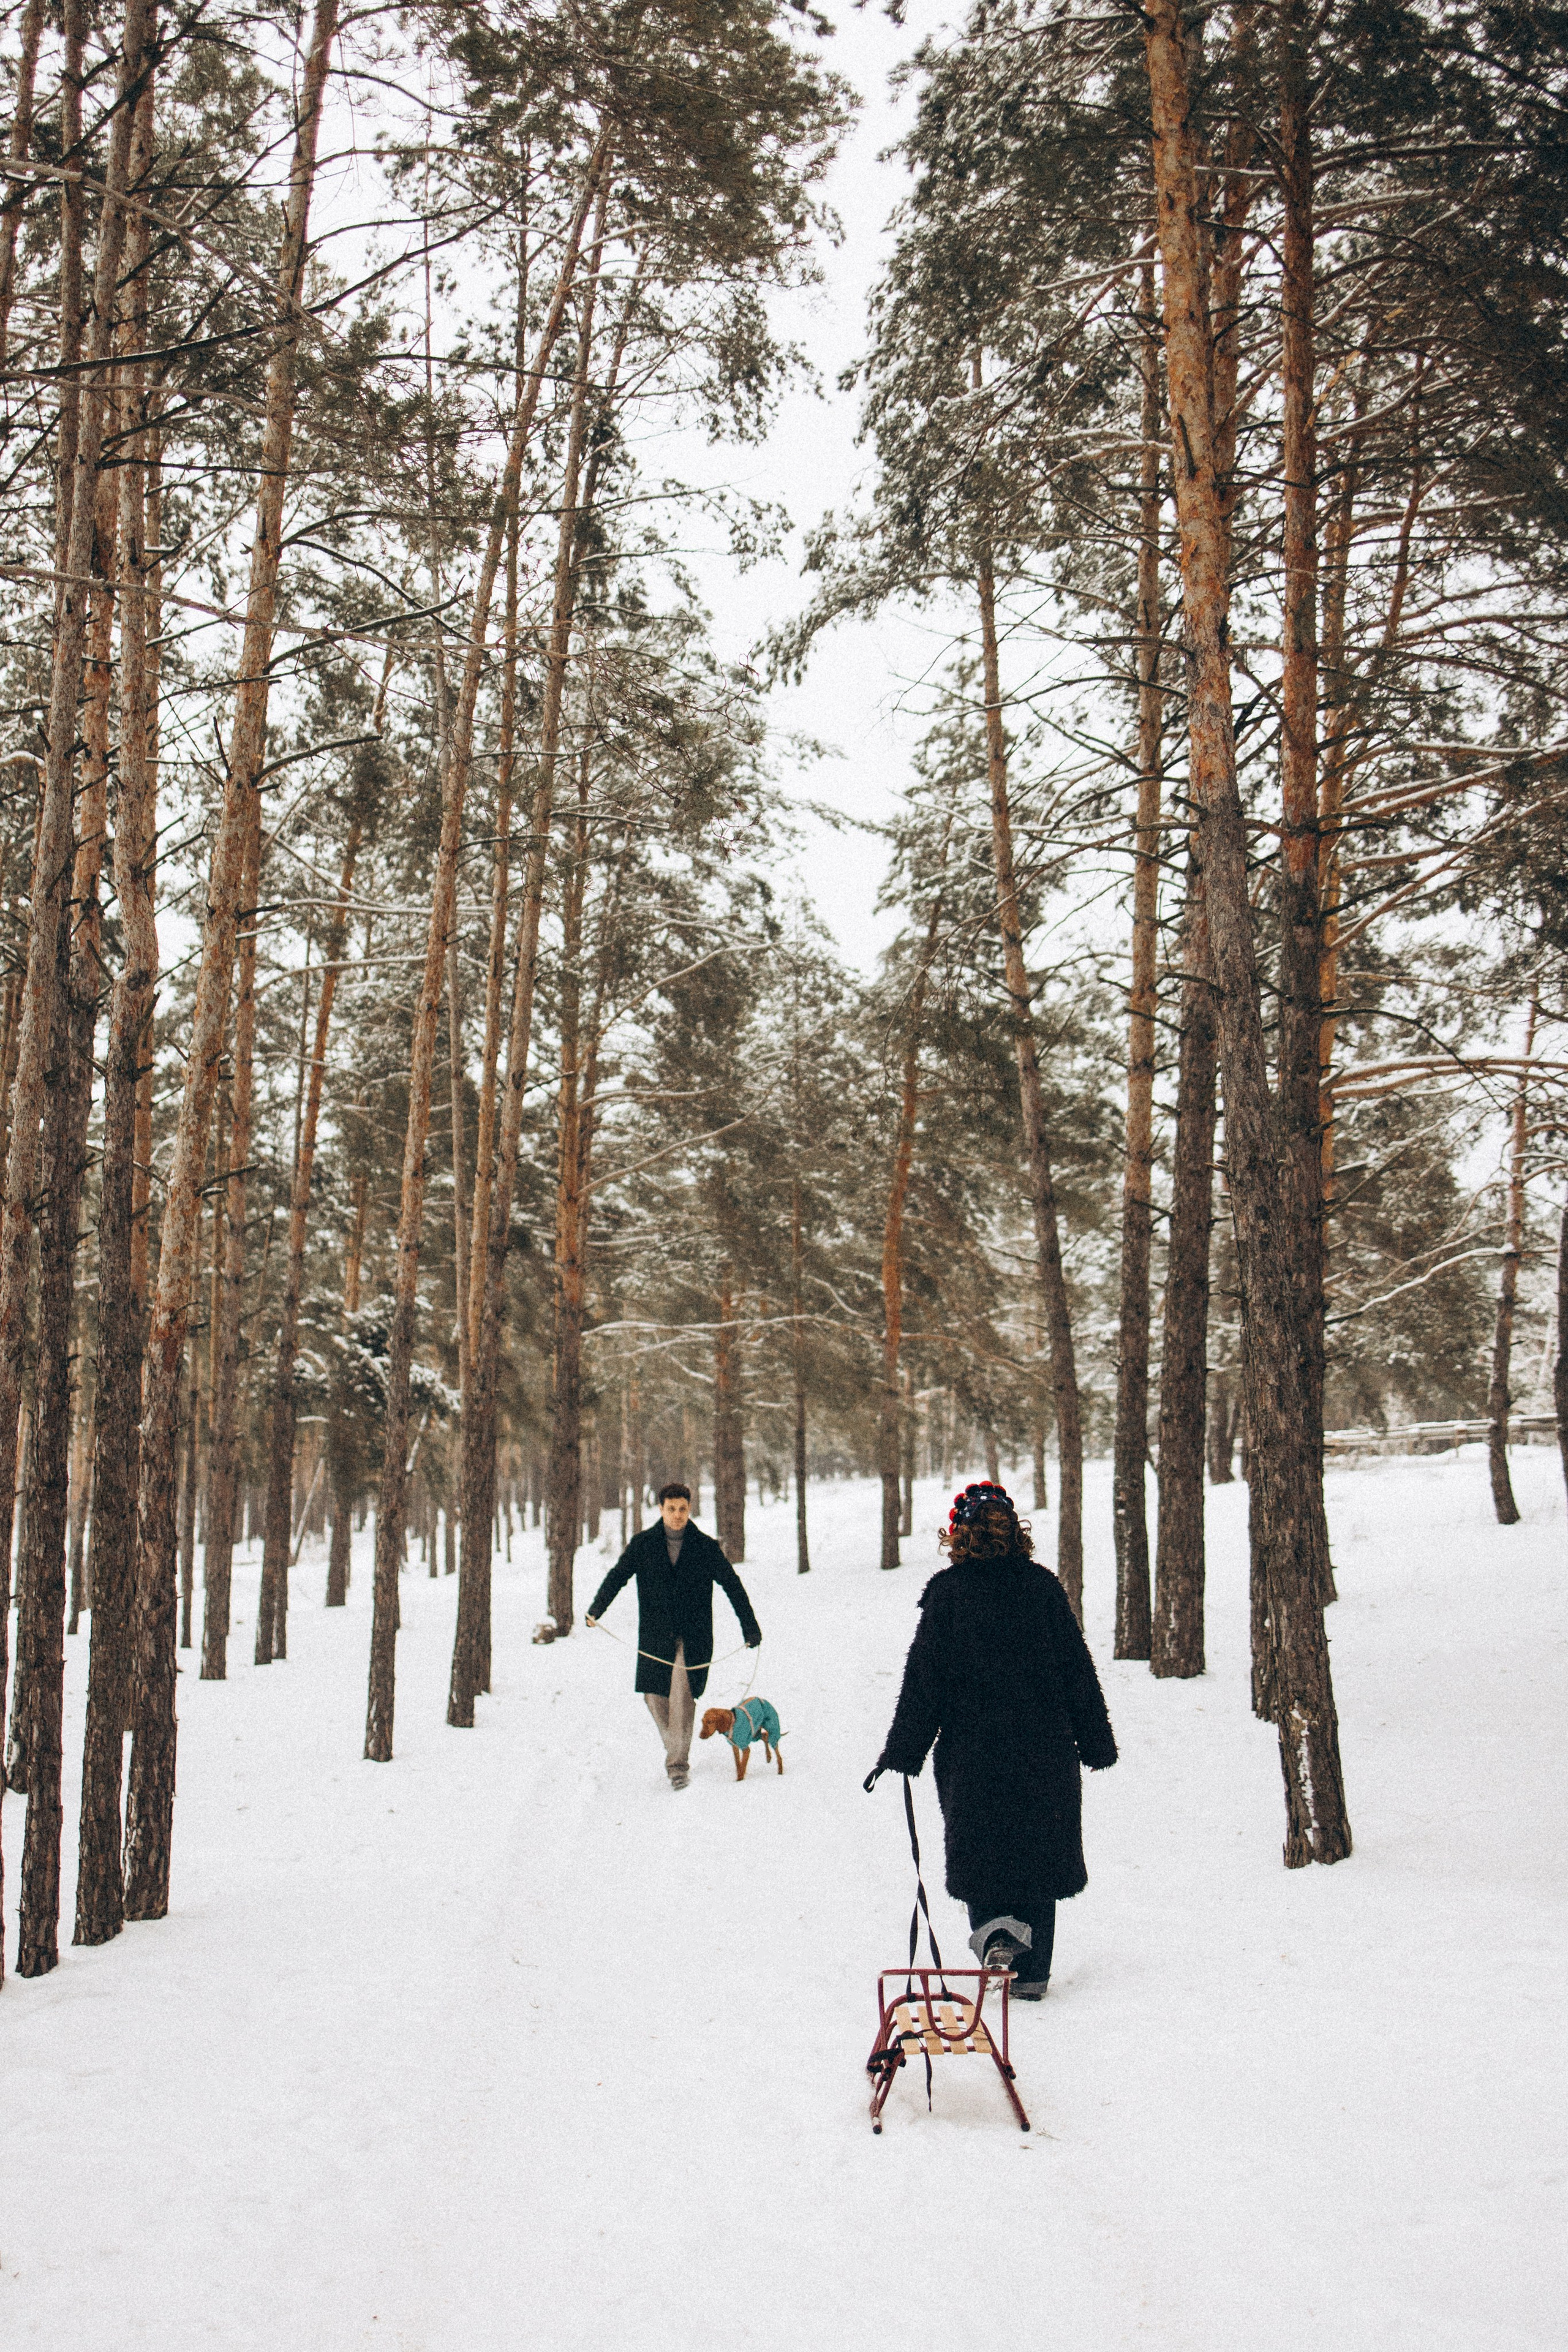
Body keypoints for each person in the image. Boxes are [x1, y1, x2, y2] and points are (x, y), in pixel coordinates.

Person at [867, 1481, 1117, 1999]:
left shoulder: (948, 1594)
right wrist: (1096, 1741)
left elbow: (924, 1680)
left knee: (980, 1854)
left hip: (972, 1754)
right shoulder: (1042, 1588)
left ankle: (996, 1936)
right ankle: (1035, 1972)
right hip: (1043, 1749)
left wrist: (904, 1750)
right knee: (1039, 1857)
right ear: (1014, 1532)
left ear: (959, 1536)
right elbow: (1077, 1670)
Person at [586, 1483, 761, 1791]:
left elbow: (732, 1584)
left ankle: (677, 1766)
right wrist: (596, 1609)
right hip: (655, 1637)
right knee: (654, 1696)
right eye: (671, 1509)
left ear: (689, 1509)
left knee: (682, 1694)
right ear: (661, 1509)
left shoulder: (705, 1547)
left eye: (683, 1509)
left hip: (694, 1637)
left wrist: (750, 1626)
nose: (678, 1515)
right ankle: (676, 1745)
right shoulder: (643, 1544)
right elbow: (618, 1576)